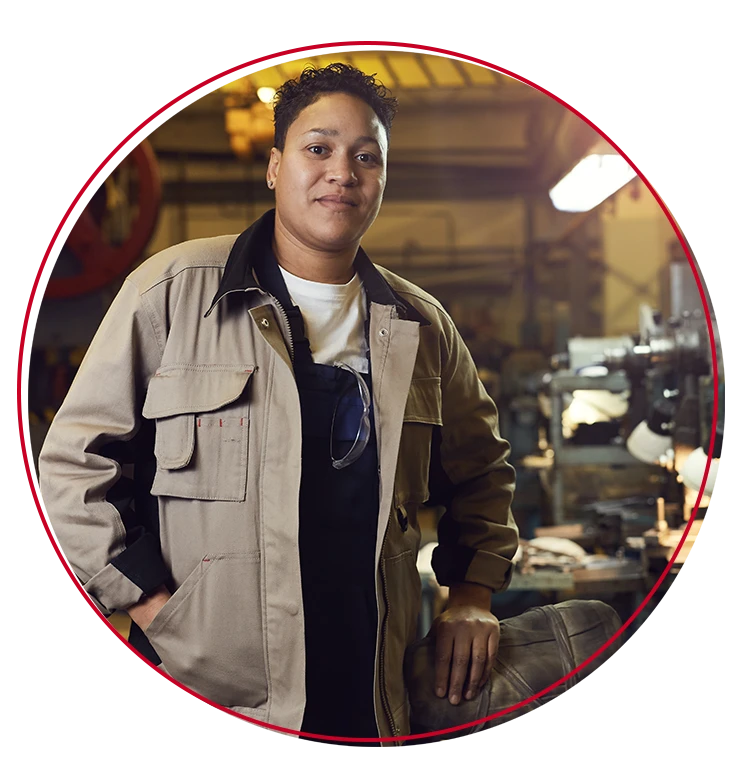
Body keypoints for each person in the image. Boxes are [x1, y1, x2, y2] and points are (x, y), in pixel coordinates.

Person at [38, 63, 519, 748]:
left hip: (367, 688)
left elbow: (481, 474)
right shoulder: (173, 293)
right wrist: (153, 606)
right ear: (274, 167)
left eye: (366, 157)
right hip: (207, 688)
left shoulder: (422, 327)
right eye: (318, 148)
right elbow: (73, 467)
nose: (342, 172)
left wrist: (470, 595)